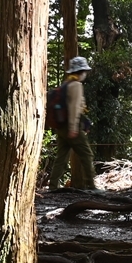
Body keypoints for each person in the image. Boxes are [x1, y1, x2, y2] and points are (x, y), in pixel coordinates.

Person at [48, 56, 97, 190]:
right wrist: (73, 128)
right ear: (81, 71)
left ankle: (53, 186)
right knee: (86, 154)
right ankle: (91, 185)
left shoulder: (66, 84)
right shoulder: (76, 85)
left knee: (61, 157)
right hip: (70, 126)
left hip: (61, 126)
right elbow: (74, 108)